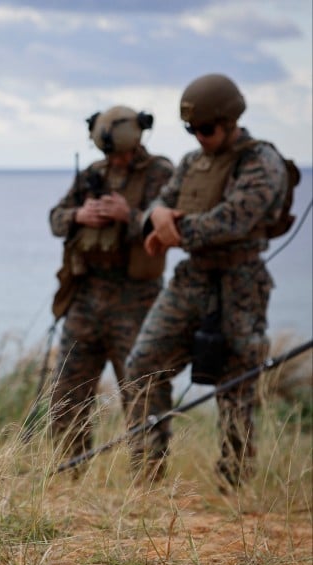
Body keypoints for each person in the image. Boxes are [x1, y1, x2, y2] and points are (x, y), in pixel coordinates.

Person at [124, 73, 291, 487]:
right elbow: (162, 202)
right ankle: (147, 473)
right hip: (191, 279)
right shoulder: (191, 162)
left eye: (206, 129)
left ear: (231, 120)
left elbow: (233, 220)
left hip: (241, 282)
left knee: (235, 385)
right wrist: (158, 217)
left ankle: (233, 483)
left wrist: (170, 230)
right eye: (190, 129)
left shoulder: (260, 162)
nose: (198, 136)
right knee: (143, 365)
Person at [47, 106, 174, 469]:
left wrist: (128, 216)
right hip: (86, 298)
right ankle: (69, 470)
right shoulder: (92, 175)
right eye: (109, 154)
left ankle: (148, 480)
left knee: (143, 390)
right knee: (68, 391)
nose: (115, 160)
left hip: (137, 299)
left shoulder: (160, 173)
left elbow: (173, 228)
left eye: (120, 153)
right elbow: (55, 219)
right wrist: (78, 216)